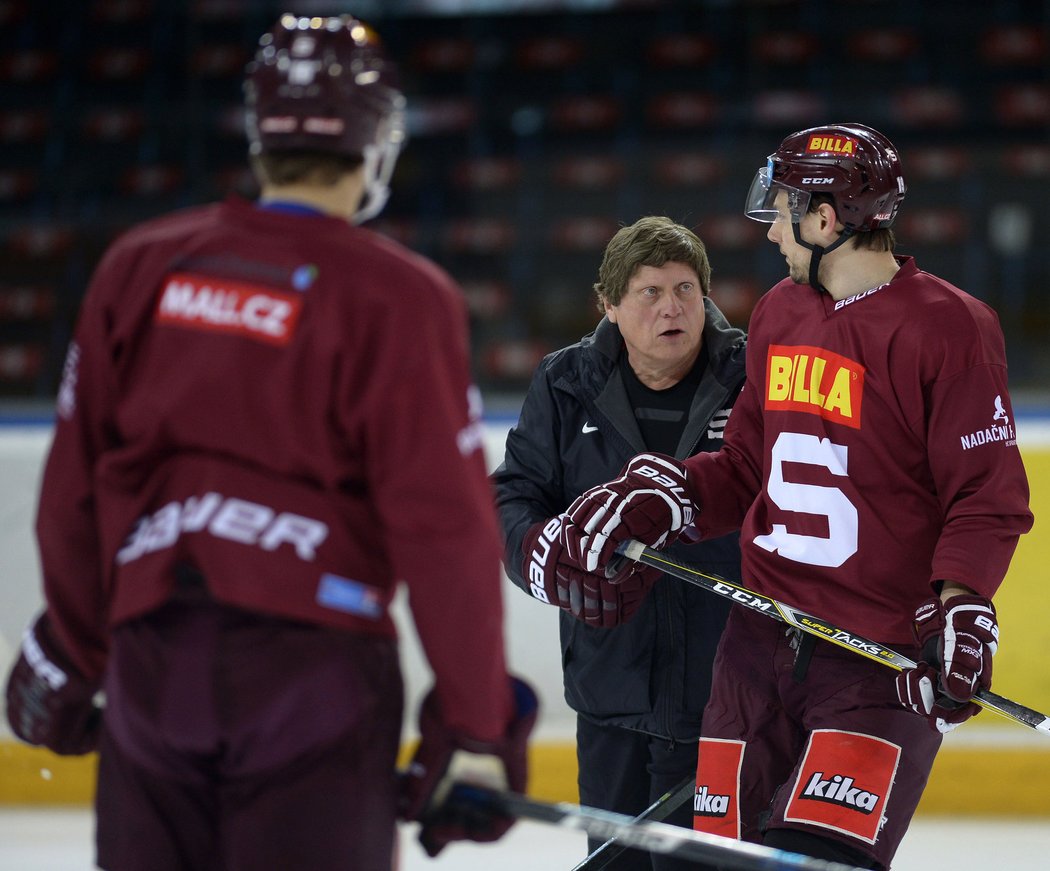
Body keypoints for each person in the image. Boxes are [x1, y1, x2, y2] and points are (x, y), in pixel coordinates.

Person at [3, 14, 535, 871]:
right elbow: (444, 528)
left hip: (152, 658)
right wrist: (475, 722)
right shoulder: (401, 295)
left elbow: (69, 496)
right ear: (376, 141)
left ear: (258, 131)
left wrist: (74, 647)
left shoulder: (140, 264)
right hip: (314, 667)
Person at [554, 124, 1033, 870]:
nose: (771, 228)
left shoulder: (950, 327)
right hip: (750, 657)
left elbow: (986, 492)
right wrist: (664, 495)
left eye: (783, 210)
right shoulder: (780, 312)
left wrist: (964, 601)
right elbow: (747, 464)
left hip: (875, 669)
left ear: (825, 218)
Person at [493, 216, 746, 870]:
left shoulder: (753, 380)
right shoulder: (564, 381)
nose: (673, 307)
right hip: (610, 690)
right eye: (651, 292)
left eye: (687, 289)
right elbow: (511, 497)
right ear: (607, 304)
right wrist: (540, 557)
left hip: (727, 699)